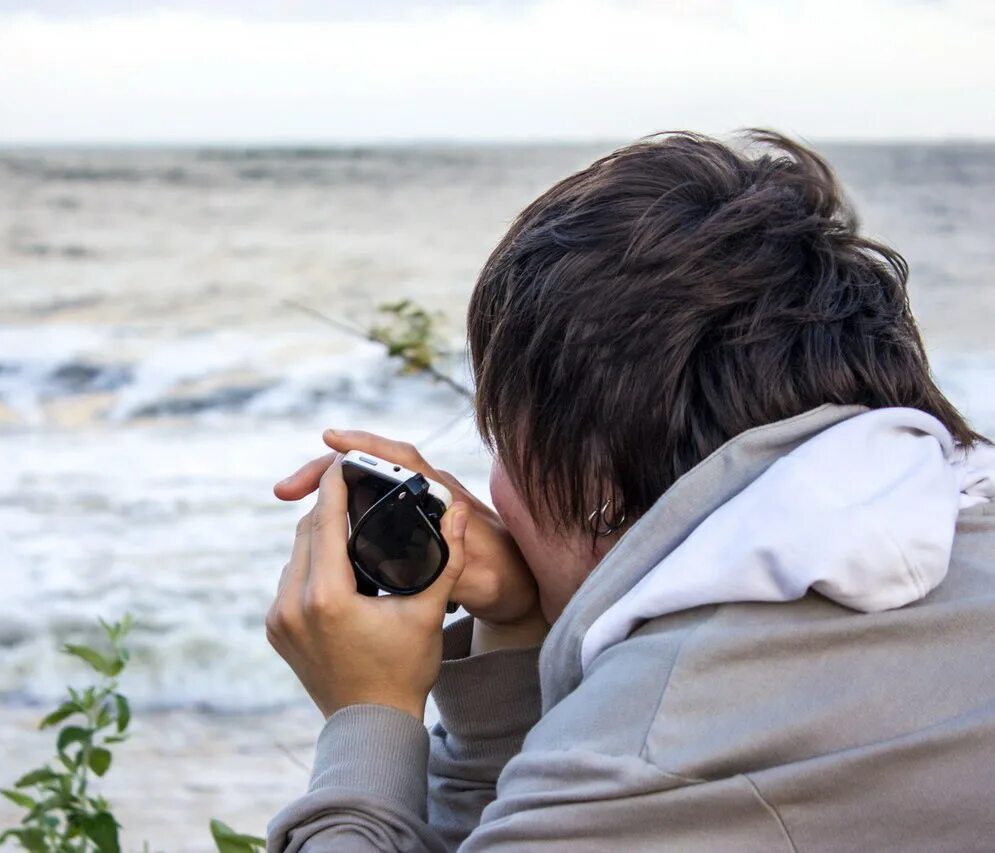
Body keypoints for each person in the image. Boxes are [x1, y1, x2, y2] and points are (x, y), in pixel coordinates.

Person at [263, 130, 995, 851]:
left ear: (596, 483)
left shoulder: (658, 746)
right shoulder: (960, 518)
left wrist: (368, 711)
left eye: (500, 442)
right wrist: (520, 630)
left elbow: (598, 794)